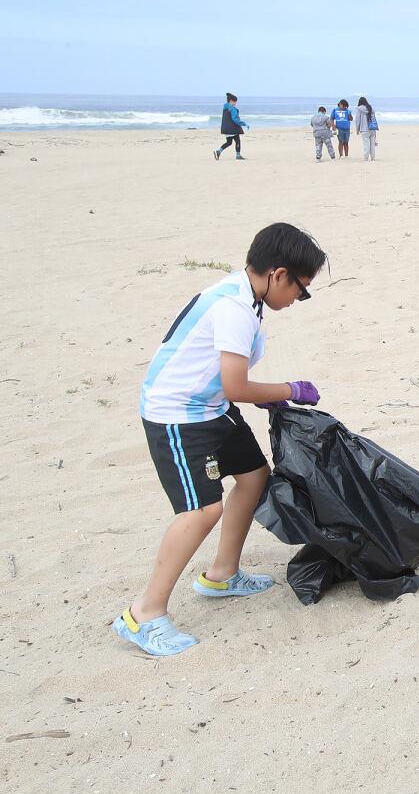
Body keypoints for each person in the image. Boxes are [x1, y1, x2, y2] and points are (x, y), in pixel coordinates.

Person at [113, 223, 326, 656]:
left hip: (209, 408)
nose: (298, 300)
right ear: (278, 274)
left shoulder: (248, 294)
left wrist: (268, 398)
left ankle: (221, 575)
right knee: (201, 509)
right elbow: (236, 387)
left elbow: (227, 387)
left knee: (253, 476)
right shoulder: (234, 308)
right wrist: (288, 390)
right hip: (178, 415)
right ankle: (143, 614)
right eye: (301, 290)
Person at [214, 93, 248, 161]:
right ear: (231, 101)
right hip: (233, 129)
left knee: (229, 142)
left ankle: (218, 151)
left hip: (226, 129)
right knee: (237, 141)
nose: (235, 103)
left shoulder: (225, 108)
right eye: (234, 101)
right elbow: (235, 119)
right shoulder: (232, 109)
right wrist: (244, 124)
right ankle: (238, 156)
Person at [356, 96, 378, 161]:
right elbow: (374, 118)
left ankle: (366, 158)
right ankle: (373, 158)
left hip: (364, 129)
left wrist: (357, 129)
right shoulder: (370, 108)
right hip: (372, 128)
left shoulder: (358, 109)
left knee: (366, 145)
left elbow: (358, 120)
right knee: (372, 145)